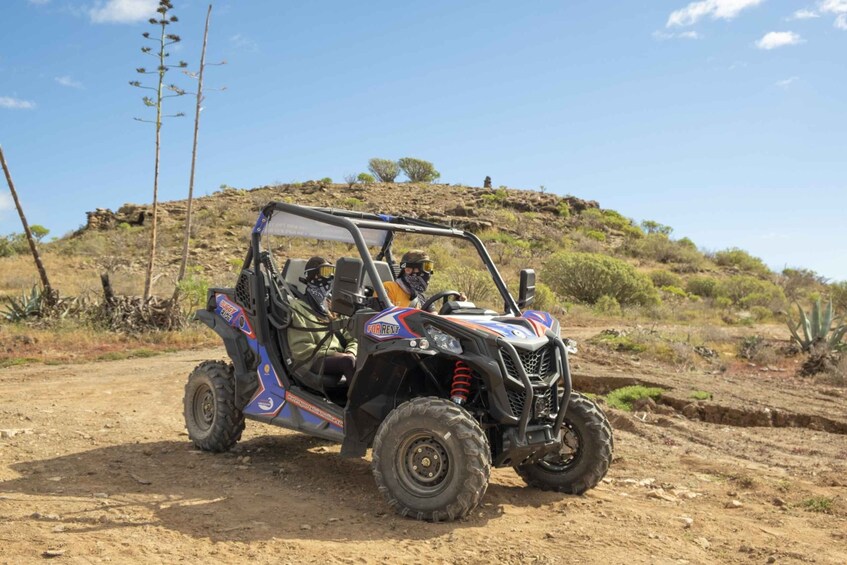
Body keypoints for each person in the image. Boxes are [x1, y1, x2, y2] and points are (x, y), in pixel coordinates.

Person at [287, 256, 357, 384]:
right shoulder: (297, 307)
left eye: (333, 273)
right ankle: (358, 403)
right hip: (312, 360)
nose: (330, 277)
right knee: (348, 362)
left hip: (340, 356)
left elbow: (352, 336)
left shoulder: (334, 306)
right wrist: (336, 355)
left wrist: (350, 351)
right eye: (326, 272)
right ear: (313, 276)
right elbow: (301, 349)